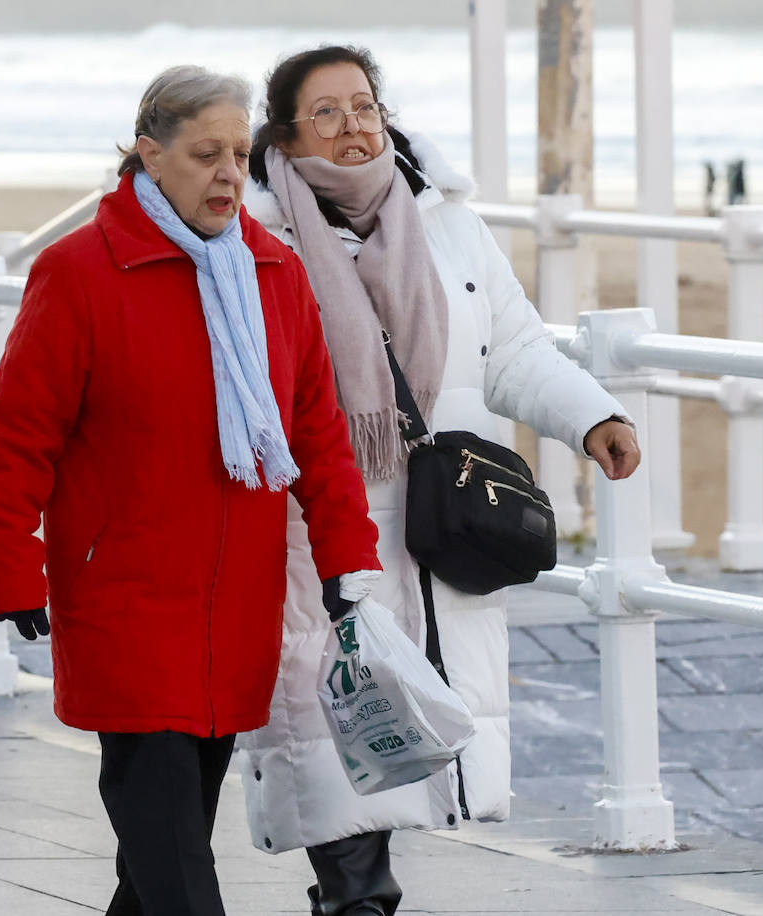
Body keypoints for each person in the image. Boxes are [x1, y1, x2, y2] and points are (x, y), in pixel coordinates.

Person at [237, 45, 642, 916]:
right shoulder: (255, 234)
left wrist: (592, 417)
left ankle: (362, 894)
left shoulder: (448, 223)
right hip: (315, 516)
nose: (353, 127)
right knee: (330, 698)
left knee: (421, 691)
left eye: (364, 106)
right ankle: (355, 896)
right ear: (284, 130)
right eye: (327, 113)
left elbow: (518, 349)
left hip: (432, 514)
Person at [0, 64, 382, 916]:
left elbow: (318, 436)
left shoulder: (274, 272)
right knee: (175, 858)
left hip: (235, 606)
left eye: (239, 152)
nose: (231, 172)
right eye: (206, 154)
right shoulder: (79, 271)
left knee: (167, 844)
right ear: (151, 157)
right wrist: (8, 564)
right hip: (123, 595)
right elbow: (18, 434)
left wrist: (348, 554)